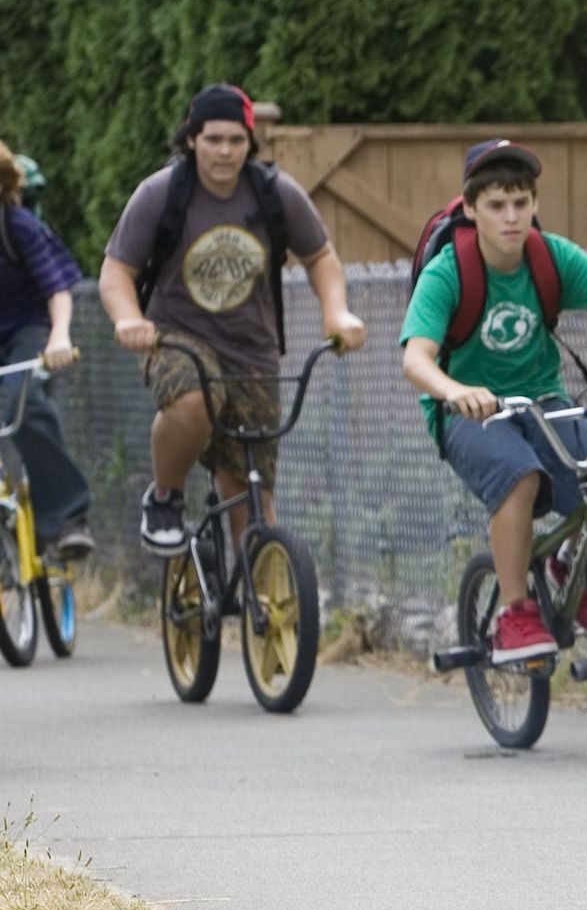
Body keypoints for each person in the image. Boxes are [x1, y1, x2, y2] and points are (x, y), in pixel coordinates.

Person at [399, 139, 587, 664]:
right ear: (472, 210)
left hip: (543, 401)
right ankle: (515, 611)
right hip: (466, 413)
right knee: (519, 477)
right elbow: (416, 359)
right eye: (496, 206)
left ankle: (570, 564)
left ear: (534, 205)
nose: (511, 217)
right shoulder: (449, 271)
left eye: (521, 203)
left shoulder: (551, 258)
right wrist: (456, 392)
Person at [99, 83, 367, 554]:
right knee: (192, 399)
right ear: (191, 140)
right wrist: (128, 320)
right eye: (213, 139)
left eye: (236, 141)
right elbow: (116, 272)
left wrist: (337, 312)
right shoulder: (160, 194)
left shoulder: (275, 194)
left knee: (251, 497)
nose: (225, 151)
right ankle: (165, 496)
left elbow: (321, 257)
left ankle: (257, 606)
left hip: (252, 351)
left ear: (250, 143)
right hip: (176, 340)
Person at [0, 140, 92, 558]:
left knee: (23, 401)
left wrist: (59, 336)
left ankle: (66, 516)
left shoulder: (17, 225)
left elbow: (57, 287)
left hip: (27, 330)